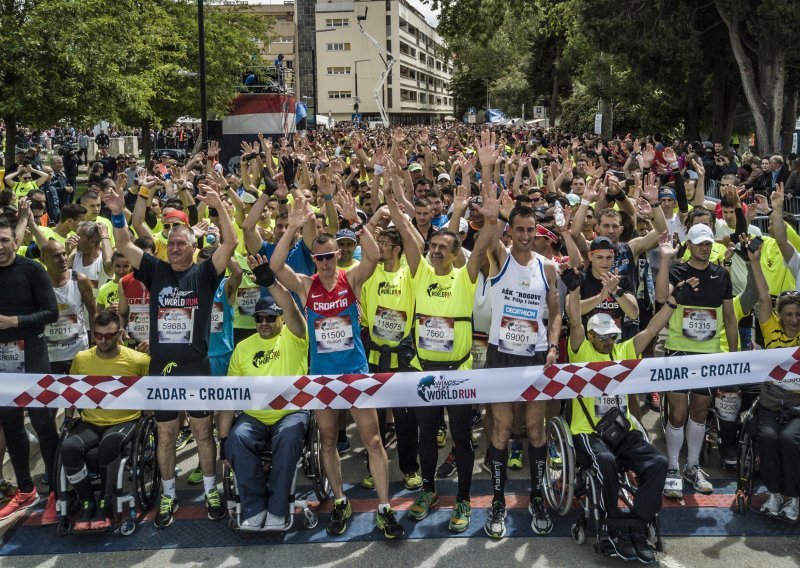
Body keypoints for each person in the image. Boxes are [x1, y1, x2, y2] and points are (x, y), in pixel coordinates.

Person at [270, 190, 404, 539]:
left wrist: (358, 223)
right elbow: (274, 266)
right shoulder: (306, 285)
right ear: (313, 260)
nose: (327, 263)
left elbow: (372, 257)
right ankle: (341, 500)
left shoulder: (350, 278)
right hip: (323, 377)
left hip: (356, 372)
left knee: (373, 442)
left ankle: (384, 506)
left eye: (330, 256)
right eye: (320, 258)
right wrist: (294, 228)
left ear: (338, 255)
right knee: (328, 442)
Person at [104, 180, 237, 528]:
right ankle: (167, 493)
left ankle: (210, 490)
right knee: (164, 434)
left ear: (194, 248)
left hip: (197, 367)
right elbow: (124, 244)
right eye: (171, 243)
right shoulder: (155, 269)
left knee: (202, 432)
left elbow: (232, 242)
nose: (175, 248)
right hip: (162, 367)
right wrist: (118, 213)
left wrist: (219, 204)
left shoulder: (205, 274)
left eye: (182, 244)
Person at [387, 130, 500, 534]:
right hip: (423, 369)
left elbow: (490, 228)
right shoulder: (417, 274)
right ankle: (429, 489)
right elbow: (401, 222)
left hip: (459, 370)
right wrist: (390, 174)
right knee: (423, 437)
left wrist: (486, 172)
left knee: (461, 438)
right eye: (431, 244)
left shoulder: (466, 276)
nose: (434, 249)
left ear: (455, 253)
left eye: (442, 246)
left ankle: (465, 499)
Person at [565, 270, 676, 562]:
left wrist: (673, 303)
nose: (607, 341)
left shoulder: (623, 350)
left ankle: (637, 525)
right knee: (606, 461)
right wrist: (575, 290)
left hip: (622, 431)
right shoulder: (580, 349)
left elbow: (651, 331)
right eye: (602, 337)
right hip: (588, 432)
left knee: (659, 462)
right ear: (591, 336)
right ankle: (612, 526)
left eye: (611, 336)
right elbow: (574, 320)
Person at [481, 202, 561, 539]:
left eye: (532, 230)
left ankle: (538, 497)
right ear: (510, 231)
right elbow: (488, 234)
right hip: (501, 355)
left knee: (535, 429)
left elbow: (555, 312)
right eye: (520, 230)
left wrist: (554, 345)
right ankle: (498, 500)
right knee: (501, 428)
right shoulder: (500, 257)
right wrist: (489, 213)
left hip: (534, 356)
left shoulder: (549, 267)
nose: (526, 236)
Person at [219, 256, 310, 531]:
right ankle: (254, 507)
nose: (264, 323)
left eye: (271, 318)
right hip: (253, 416)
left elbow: (292, 308)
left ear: (281, 319)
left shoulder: (295, 336)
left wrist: (270, 281)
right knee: (236, 440)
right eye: (259, 318)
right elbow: (229, 397)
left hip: (290, 413)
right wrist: (223, 438)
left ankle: (277, 508)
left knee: (289, 437)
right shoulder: (243, 348)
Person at [656, 224, 738, 498]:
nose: (704, 247)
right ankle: (672, 468)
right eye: (699, 243)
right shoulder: (678, 270)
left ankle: (692, 467)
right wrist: (666, 260)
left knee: (700, 412)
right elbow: (659, 297)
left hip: (709, 354)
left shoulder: (721, 274)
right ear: (689, 245)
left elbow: (729, 317)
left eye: (708, 243)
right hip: (679, 350)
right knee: (678, 413)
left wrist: (733, 358)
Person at [61, 310, 150, 531]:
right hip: (91, 420)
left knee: (109, 445)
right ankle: (87, 501)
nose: (102, 341)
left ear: (119, 333)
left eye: (109, 336)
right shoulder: (82, 359)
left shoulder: (139, 360)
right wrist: (68, 418)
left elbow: (151, 392)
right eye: (98, 335)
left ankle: (105, 503)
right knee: (69, 446)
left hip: (124, 420)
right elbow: (72, 392)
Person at [0, 220, 60, 524]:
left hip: (32, 350)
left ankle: (56, 491)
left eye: (4, 240)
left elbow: (52, 312)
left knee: (42, 421)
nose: (0, 247)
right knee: (10, 422)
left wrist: (15, 321)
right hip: (2, 359)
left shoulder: (32, 269)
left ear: (15, 240)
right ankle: (25, 489)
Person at [748, 243, 800, 522]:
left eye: (798, 315)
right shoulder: (771, 329)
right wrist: (755, 263)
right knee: (768, 438)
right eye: (788, 314)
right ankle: (775, 494)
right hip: (771, 400)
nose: (793, 320)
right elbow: (764, 297)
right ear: (780, 316)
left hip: (798, 404)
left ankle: (794, 498)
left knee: (790, 440)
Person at [40, 240, 97, 373]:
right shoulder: (38, 284)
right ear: (44, 260)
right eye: (56, 256)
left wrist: (95, 343)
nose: (63, 259)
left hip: (78, 352)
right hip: (50, 355)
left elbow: (93, 313)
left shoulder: (80, 280)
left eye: (64, 254)